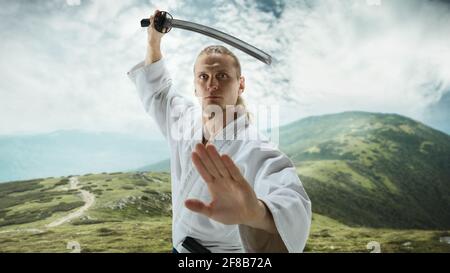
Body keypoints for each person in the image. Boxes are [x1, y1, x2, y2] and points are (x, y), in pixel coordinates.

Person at [127, 10, 311, 253]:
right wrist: (154, 40)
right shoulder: (184, 121)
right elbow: (157, 90)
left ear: (241, 84)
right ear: (194, 86)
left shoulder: (255, 146)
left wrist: (255, 212)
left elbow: (292, 200)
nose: (211, 84)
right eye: (203, 76)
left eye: (222, 76)